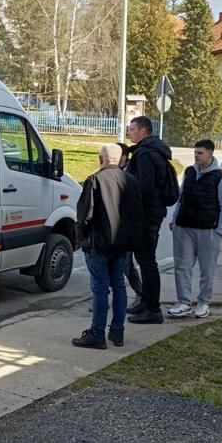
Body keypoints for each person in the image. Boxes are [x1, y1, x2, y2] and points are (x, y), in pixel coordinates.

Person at [72, 144, 143, 349]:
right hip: (121, 243)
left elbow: (84, 215)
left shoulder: (94, 180)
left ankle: (97, 333)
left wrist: (80, 238)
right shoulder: (131, 181)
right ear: (120, 159)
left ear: (100, 158)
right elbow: (138, 214)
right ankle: (117, 332)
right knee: (119, 286)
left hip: (98, 243)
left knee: (100, 289)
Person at [168, 140, 222, 319]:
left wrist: (221, 231)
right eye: (195, 152)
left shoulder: (221, 178)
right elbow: (182, 198)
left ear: (210, 155)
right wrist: (174, 220)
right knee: (182, 266)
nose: (196, 156)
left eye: (200, 153)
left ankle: (204, 302)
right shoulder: (189, 172)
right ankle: (183, 302)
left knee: (207, 269)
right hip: (184, 227)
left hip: (208, 230)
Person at [125, 116, 174, 325]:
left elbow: (144, 188)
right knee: (146, 260)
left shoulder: (145, 154)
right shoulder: (155, 151)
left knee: (147, 261)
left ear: (143, 131)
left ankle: (153, 309)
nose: (129, 132)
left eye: (132, 129)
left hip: (146, 214)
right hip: (153, 212)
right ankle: (146, 302)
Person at [115, 142, 144, 309]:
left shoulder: (130, 177)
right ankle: (102, 296)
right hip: (113, 228)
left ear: (123, 158)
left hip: (125, 229)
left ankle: (141, 294)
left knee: (126, 265)